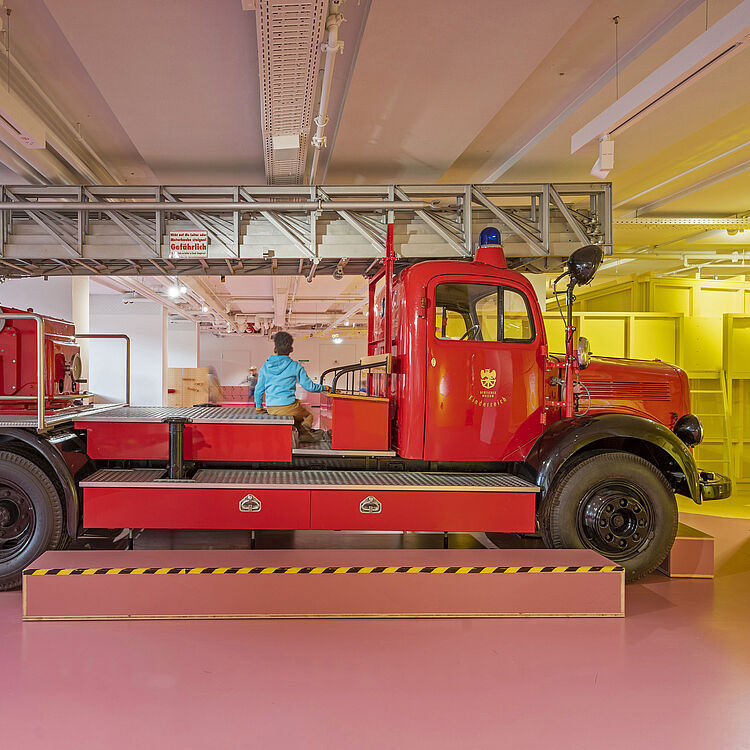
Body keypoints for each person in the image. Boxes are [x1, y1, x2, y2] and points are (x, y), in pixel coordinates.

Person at [254, 331, 330, 443]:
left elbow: (259, 389)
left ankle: (302, 433)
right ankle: (304, 435)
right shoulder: (295, 366)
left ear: (275, 349)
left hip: (271, 408)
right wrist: (324, 388)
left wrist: (259, 407)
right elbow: (310, 387)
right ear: (291, 349)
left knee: (297, 414)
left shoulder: (265, 366)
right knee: (308, 415)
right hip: (288, 406)